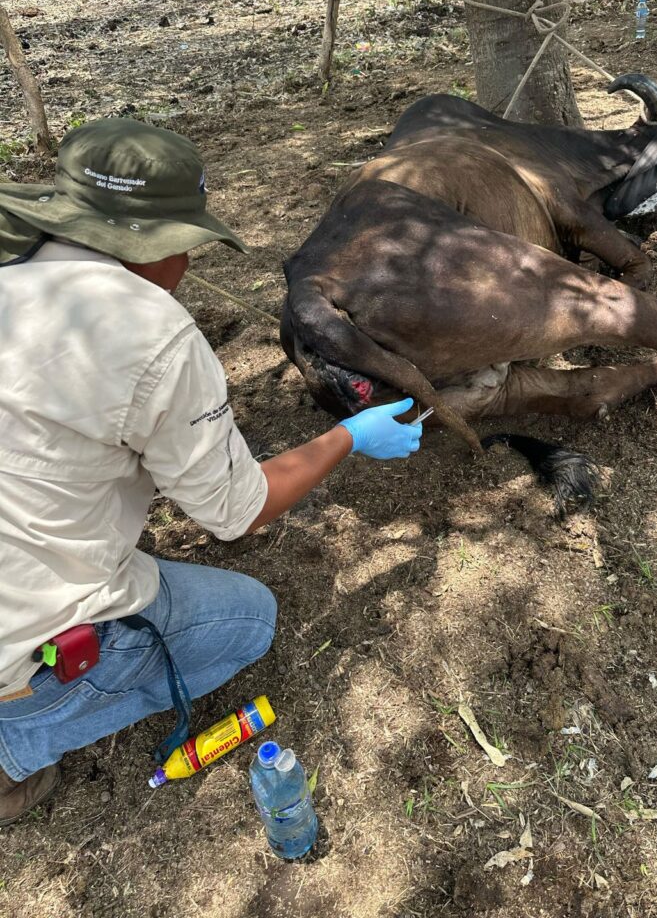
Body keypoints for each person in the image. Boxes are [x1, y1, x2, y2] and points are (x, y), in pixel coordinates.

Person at [0, 118, 422, 825]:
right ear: (159, 244)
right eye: (188, 244)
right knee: (248, 619)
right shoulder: (151, 334)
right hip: (19, 645)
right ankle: (16, 745)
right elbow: (237, 512)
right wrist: (349, 435)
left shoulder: (13, 268)